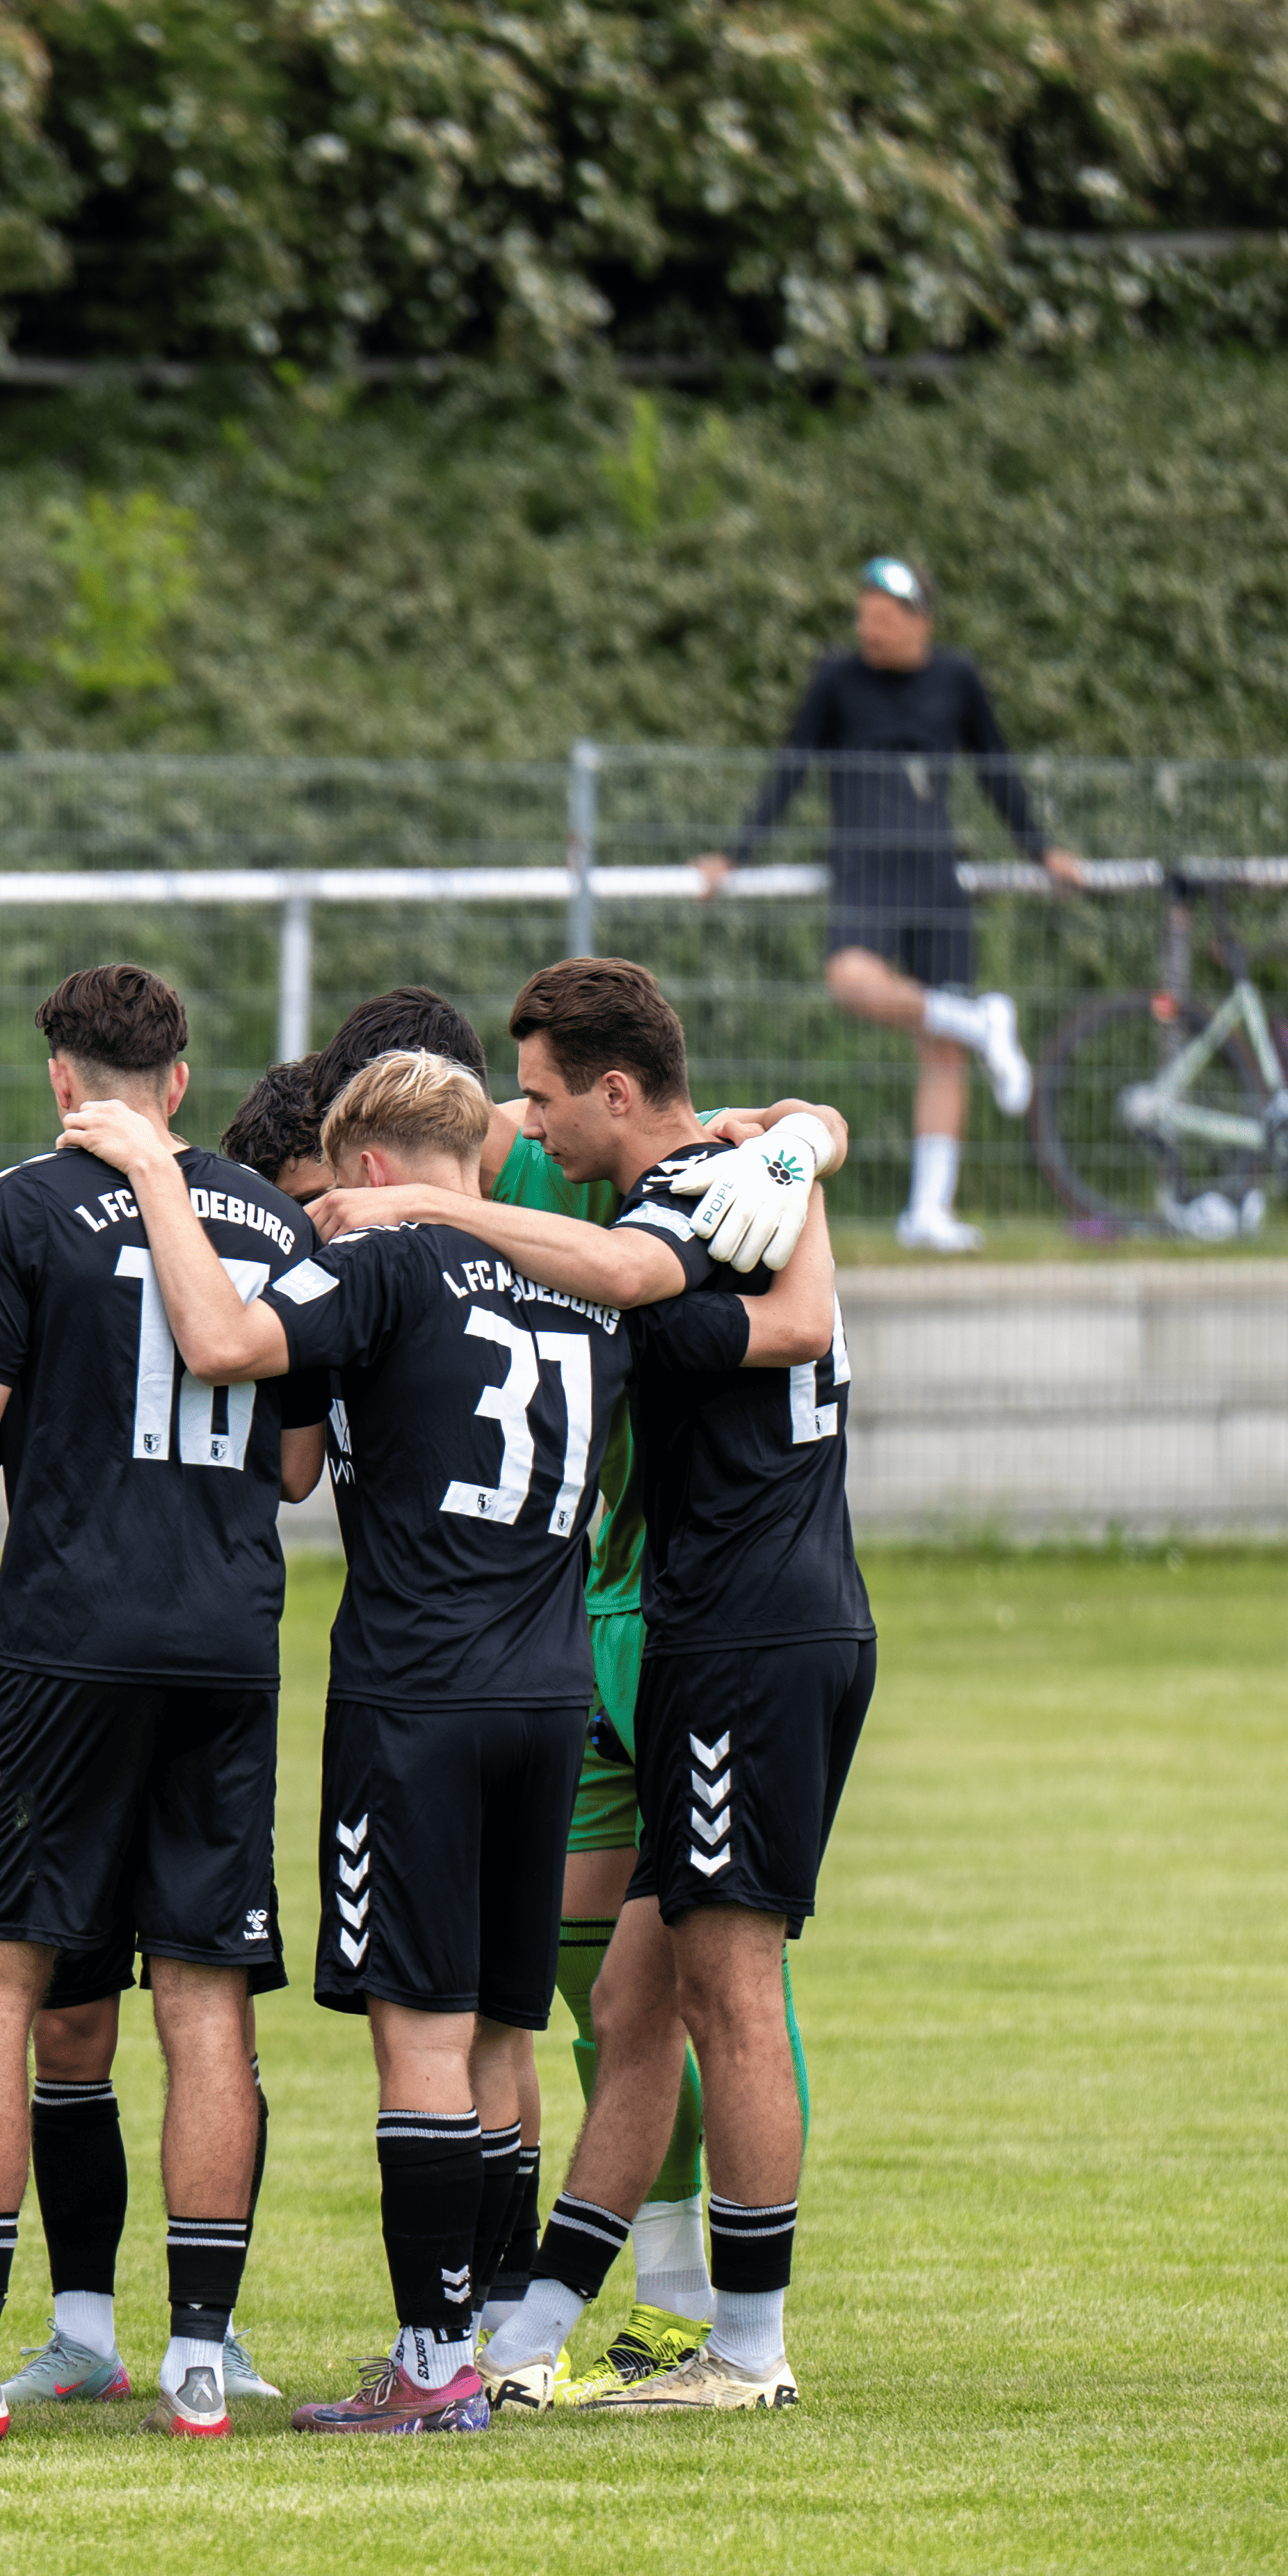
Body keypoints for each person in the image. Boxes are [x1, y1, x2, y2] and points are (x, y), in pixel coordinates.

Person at [82, 1051, 711, 2429]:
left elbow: (223, 1345)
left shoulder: (380, 1259)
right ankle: (476, 2336)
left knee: (418, 2036)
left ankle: (430, 2368)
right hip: (548, 1697)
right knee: (495, 2035)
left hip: (418, 1694)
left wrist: (153, 1174)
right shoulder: (569, 1277)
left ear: (364, 1166)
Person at [316, 959, 854, 2411]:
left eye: (546, 1097)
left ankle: (745, 2348)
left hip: (749, 1631)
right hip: (713, 1626)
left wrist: (424, 1209)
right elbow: (796, 1316)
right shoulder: (740, 1169)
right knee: (630, 2002)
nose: (531, 1126)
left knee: (732, 1990)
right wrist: (808, 1134)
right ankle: (529, 2334)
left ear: (616, 1089)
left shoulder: (678, 1206)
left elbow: (647, 1281)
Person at [0, 963, 329, 2447]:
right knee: (204, 1999)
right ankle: (199, 2360)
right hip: (227, 1645)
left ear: (62, 1081)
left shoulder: (27, 1205)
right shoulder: (271, 1219)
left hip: (71, 1647)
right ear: (182, 1082)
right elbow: (296, 1467)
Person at [696, 555, 1084, 1257]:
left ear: (919, 620)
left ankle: (929, 1212)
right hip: (864, 870)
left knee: (941, 1052)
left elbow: (995, 768)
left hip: (935, 874)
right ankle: (982, 1022)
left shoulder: (956, 678)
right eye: (862, 618)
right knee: (850, 978)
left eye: (882, 620)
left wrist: (1040, 851)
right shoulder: (838, 679)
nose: (868, 631)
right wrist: (735, 854)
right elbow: (792, 765)